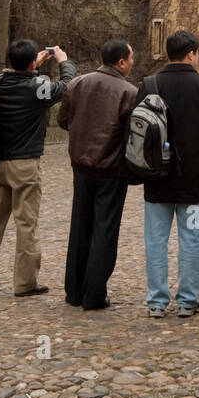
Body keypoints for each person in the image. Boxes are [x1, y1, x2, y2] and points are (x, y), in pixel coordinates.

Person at [0, 40, 76, 298]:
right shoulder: (37, 86)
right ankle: (25, 283)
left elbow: (22, 79)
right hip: (25, 164)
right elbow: (66, 87)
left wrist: (32, 65)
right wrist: (63, 61)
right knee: (26, 223)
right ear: (32, 63)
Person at [141, 29, 199, 318]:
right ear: (191, 53)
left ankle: (157, 300)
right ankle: (187, 300)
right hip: (193, 179)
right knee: (191, 238)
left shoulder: (150, 85)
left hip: (157, 178)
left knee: (155, 240)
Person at [58, 38, 137, 311]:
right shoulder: (128, 92)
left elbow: (63, 121)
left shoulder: (77, 84)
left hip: (81, 166)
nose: (133, 62)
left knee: (80, 226)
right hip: (111, 169)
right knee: (104, 230)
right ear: (121, 62)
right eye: (131, 58)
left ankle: (74, 290)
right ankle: (94, 293)